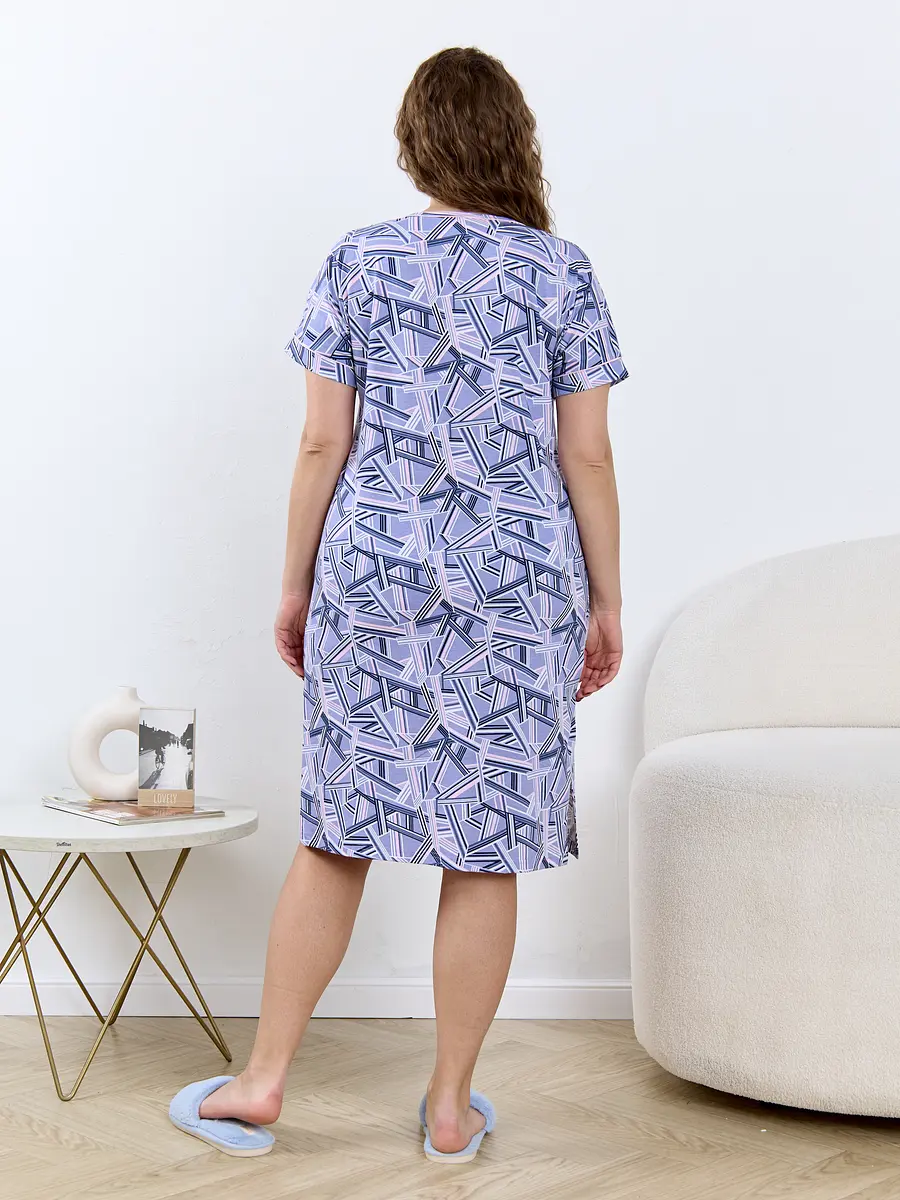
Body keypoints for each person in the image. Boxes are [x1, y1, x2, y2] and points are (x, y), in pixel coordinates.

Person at [169, 45, 627, 1163]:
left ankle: (262, 1081)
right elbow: (588, 456)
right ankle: (450, 1107)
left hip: (375, 580)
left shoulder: (358, 261)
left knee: (337, 835)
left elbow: (322, 441)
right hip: (517, 589)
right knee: (485, 852)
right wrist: (606, 600)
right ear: (513, 140)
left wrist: (296, 582)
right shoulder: (561, 272)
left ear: (415, 144)